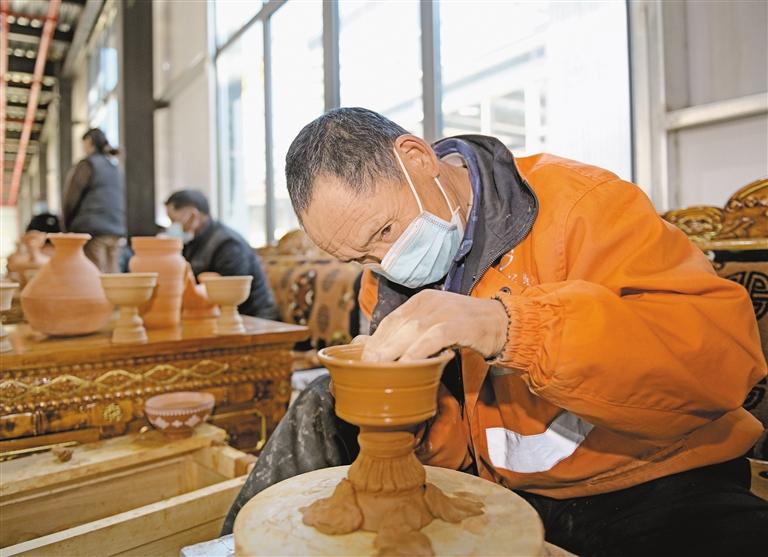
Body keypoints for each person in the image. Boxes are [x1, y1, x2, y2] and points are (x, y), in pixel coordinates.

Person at [223, 108, 768, 555]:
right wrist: (403, 409)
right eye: (360, 257)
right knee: (324, 402)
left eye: (385, 231)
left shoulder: (580, 204)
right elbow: (457, 449)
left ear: (417, 159)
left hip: (654, 481)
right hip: (508, 494)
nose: (384, 263)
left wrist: (509, 327)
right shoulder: (385, 282)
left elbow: (723, 365)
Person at [164, 190, 279, 320]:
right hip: (218, 314)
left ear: (192, 215)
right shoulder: (192, 243)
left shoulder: (228, 244)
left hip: (253, 317)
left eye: (174, 220)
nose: (172, 226)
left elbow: (232, 292)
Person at [62, 128, 126, 273]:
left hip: (92, 230)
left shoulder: (88, 164)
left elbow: (71, 198)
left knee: (94, 276)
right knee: (113, 276)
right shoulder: (114, 167)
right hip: (115, 228)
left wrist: (66, 226)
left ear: (89, 141)